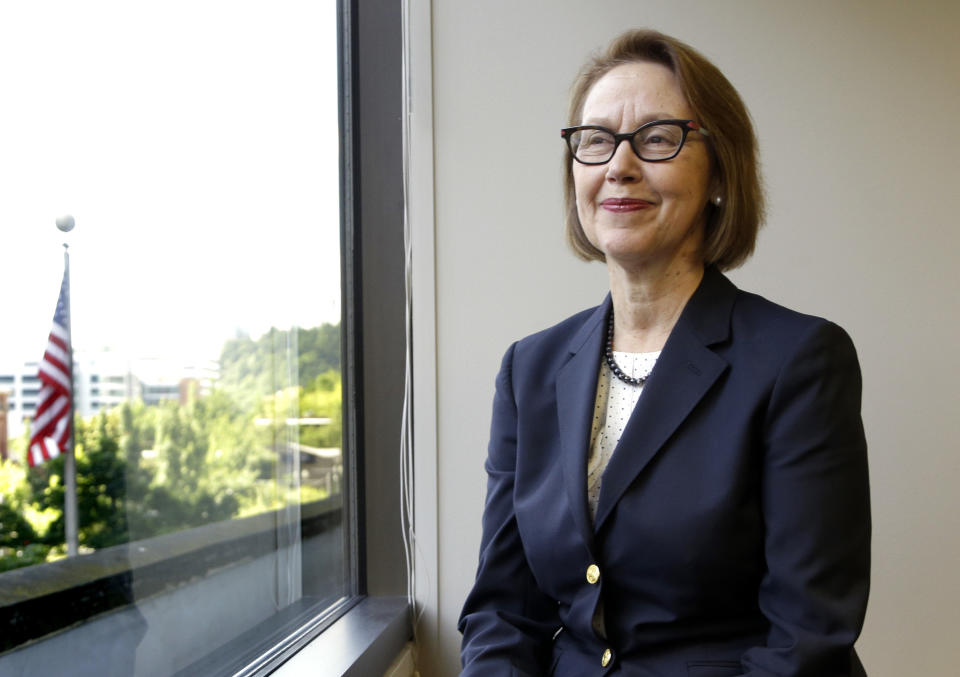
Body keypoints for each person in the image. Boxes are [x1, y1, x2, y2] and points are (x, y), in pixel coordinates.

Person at [458, 29, 870, 677]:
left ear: (718, 173)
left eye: (656, 138)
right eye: (595, 140)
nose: (619, 165)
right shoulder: (527, 370)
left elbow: (807, 640)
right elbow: (504, 612)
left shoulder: (801, 362)